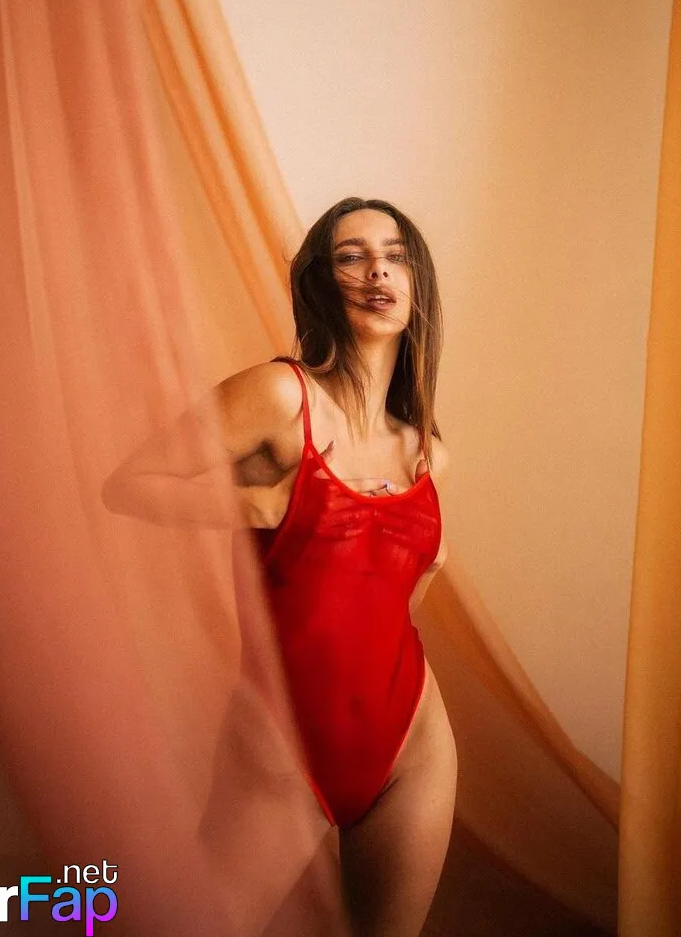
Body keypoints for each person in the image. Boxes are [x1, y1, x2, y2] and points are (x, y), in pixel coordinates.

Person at [102, 197, 457, 936]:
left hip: (411, 745)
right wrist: (261, 505)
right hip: (281, 746)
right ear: (321, 282)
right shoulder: (278, 397)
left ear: (415, 282)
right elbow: (129, 484)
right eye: (352, 256)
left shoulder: (427, 451)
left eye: (395, 256)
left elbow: (398, 602)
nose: (377, 271)